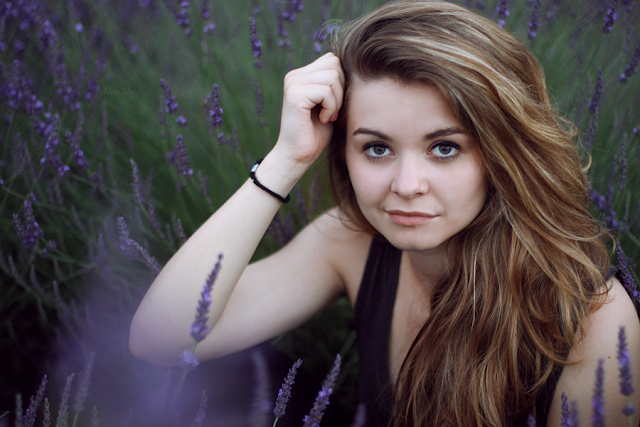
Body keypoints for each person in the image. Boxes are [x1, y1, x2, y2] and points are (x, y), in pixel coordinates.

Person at [129, 1, 640, 425]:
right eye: (376, 148)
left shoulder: (592, 320)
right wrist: (286, 161)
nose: (407, 186)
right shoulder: (352, 240)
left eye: (444, 148)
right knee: (225, 377)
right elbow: (160, 340)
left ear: (501, 153)